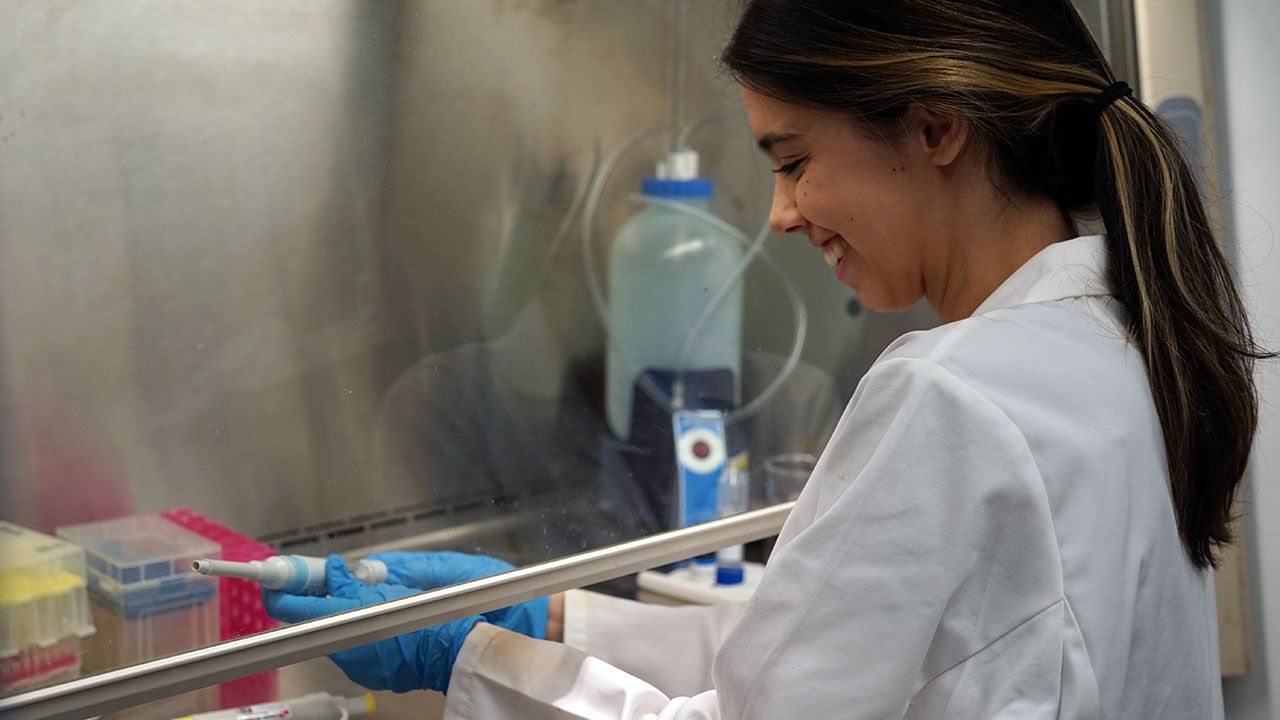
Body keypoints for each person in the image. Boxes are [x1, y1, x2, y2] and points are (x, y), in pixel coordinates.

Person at [264, 1, 1270, 717]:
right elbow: (829, 654)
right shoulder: (1118, 338)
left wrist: (468, 658)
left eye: (791, 160)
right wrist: (551, 615)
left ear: (931, 127)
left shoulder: (949, 394)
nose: (780, 214)